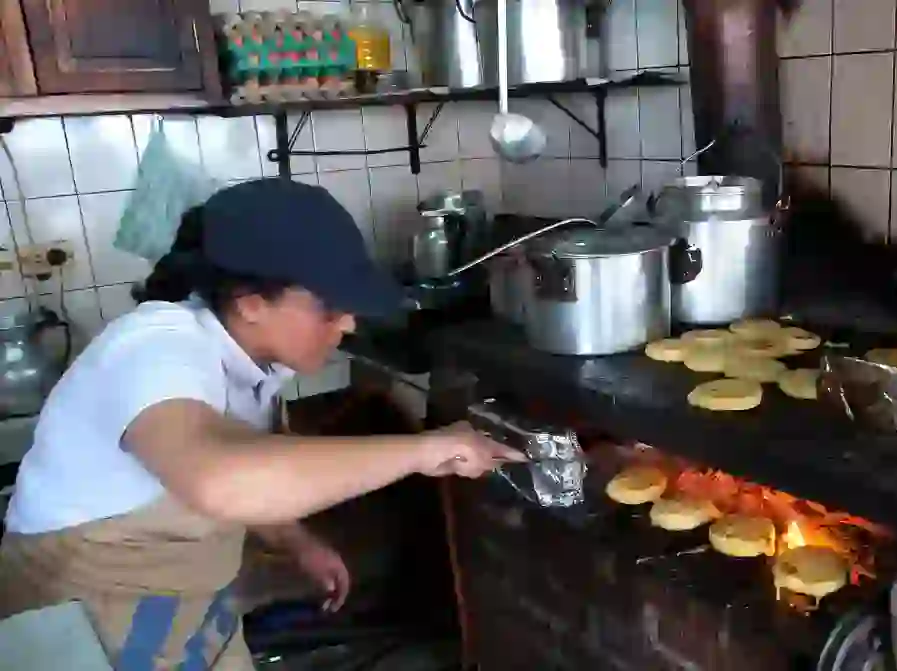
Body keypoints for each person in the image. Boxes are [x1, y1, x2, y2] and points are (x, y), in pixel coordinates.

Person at [0, 178, 522, 670]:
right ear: (250, 303)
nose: (349, 323)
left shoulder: (253, 357)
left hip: (187, 605)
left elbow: (253, 473)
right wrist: (426, 450)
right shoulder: (155, 347)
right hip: (84, 618)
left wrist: (297, 542)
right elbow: (220, 479)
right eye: (329, 307)